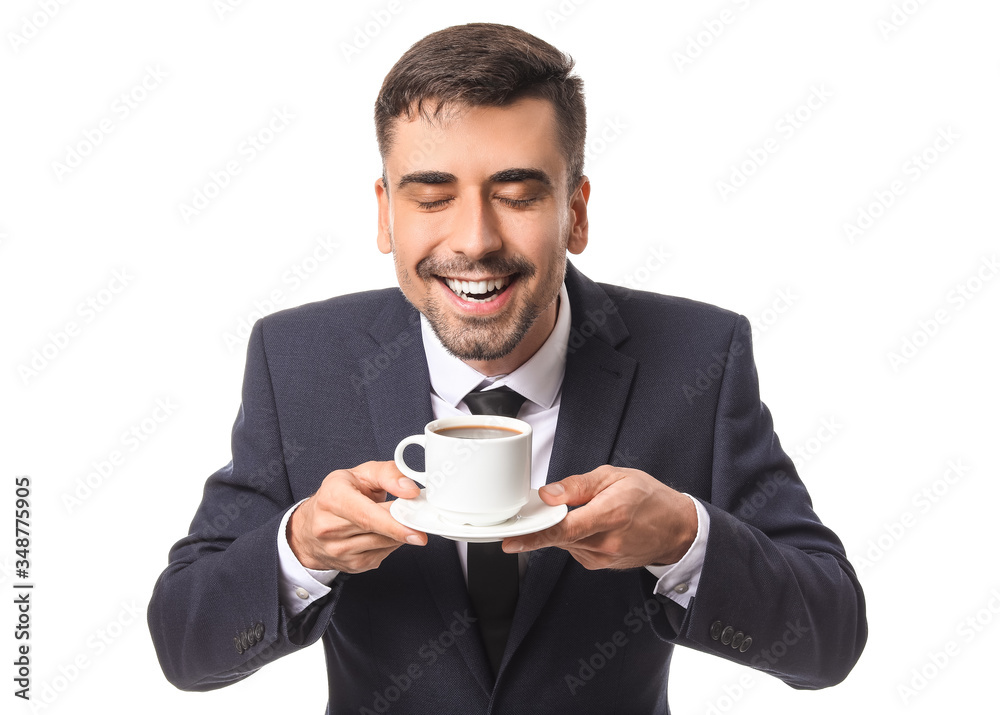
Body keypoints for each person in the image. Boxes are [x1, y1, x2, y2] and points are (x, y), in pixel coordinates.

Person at [148, 22, 866, 714]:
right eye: (431, 196)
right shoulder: (298, 360)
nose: (475, 240)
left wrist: (685, 538)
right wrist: (300, 549)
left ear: (575, 213)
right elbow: (185, 643)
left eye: (518, 195)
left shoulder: (699, 355)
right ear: (385, 215)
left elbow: (829, 637)